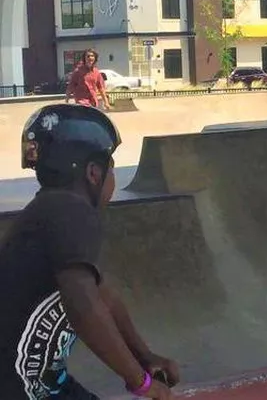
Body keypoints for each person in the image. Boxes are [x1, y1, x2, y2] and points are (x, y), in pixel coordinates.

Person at [0, 104, 179, 399]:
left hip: (40, 384)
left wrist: (144, 357)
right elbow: (84, 306)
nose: (113, 180)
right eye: (111, 168)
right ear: (93, 173)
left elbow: (102, 296)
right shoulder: (71, 211)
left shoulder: (53, 212)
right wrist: (140, 382)